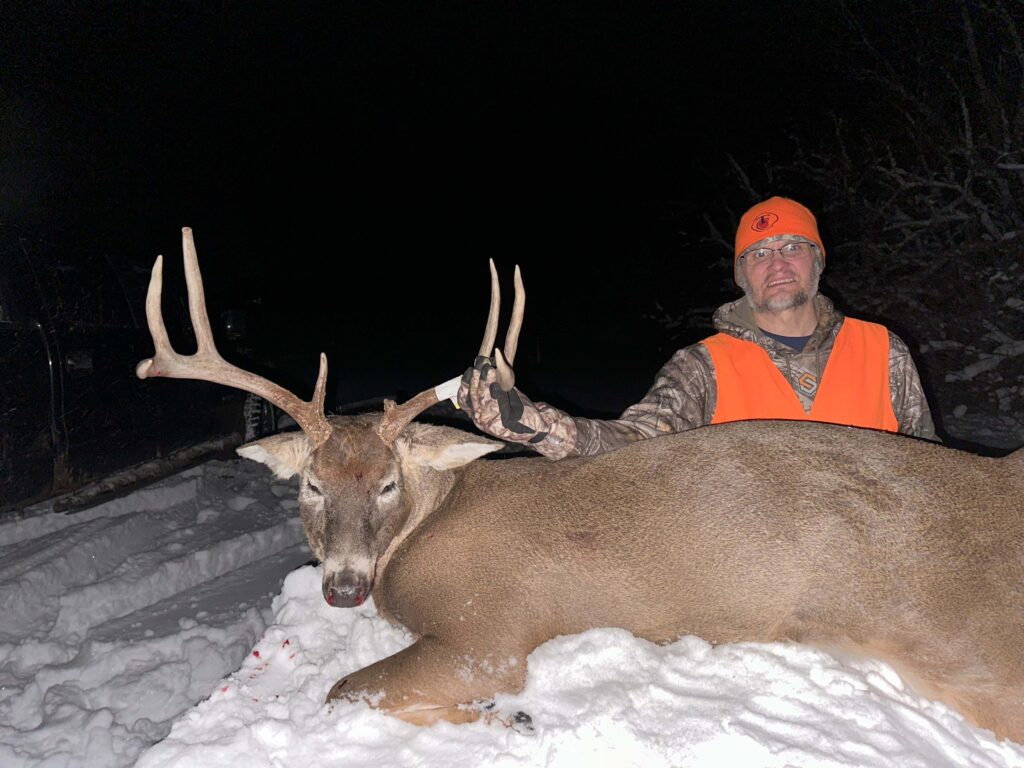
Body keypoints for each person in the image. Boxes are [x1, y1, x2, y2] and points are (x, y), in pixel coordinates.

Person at [458, 196, 938, 458]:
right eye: (759, 254)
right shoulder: (702, 366)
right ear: (741, 274)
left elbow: (931, 466)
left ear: (818, 261)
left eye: (792, 247)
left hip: (874, 571)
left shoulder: (883, 350)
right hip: (751, 575)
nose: (777, 264)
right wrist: (537, 425)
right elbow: (634, 444)